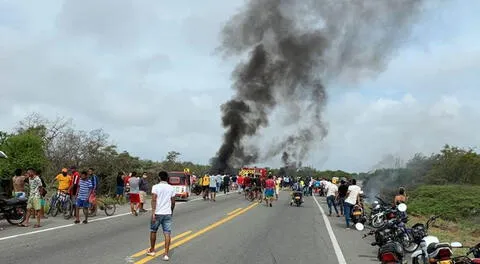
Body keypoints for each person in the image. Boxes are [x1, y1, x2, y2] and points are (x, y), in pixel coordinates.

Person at [146, 171, 176, 261]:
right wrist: (171, 211)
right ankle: (166, 254)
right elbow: (173, 202)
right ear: (167, 178)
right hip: (167, 213)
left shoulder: (155, 187)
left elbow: (154, 199)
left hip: (158, 213)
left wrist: (153, 212)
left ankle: (152, 250)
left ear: (159, 178)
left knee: (153, 231)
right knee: (167, 233)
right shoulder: (171, 188)